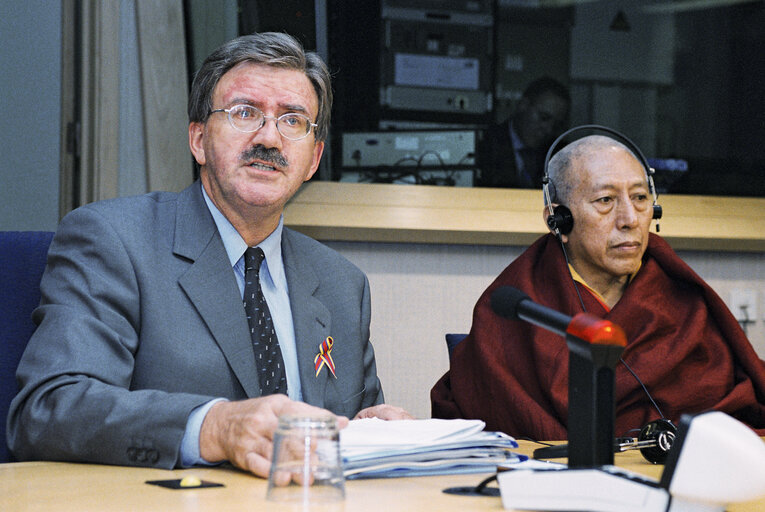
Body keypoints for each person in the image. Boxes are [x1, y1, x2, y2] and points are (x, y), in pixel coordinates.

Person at [8, 32, 410, 478]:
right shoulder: (114, 240)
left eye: (293, 121)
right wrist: (212, 427)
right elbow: (49, 409)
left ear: (313, 160)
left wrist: (374, 436)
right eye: (245, 113)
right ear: (198, 139)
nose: (270, 138)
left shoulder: (341, 283)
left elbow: (345, 429)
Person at [432, 134, 765, 440]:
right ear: (558, 219)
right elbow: (487, 412)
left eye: (640, 198)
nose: (630, 219)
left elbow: (730, 410)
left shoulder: (681, 297)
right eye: (606, 200)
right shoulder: (517, 301)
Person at [478, 76, 570, 189]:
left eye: (556, 125)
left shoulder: (557, 154)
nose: (549, 129)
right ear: (523, 105)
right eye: (543, 118)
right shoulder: (486, 143)